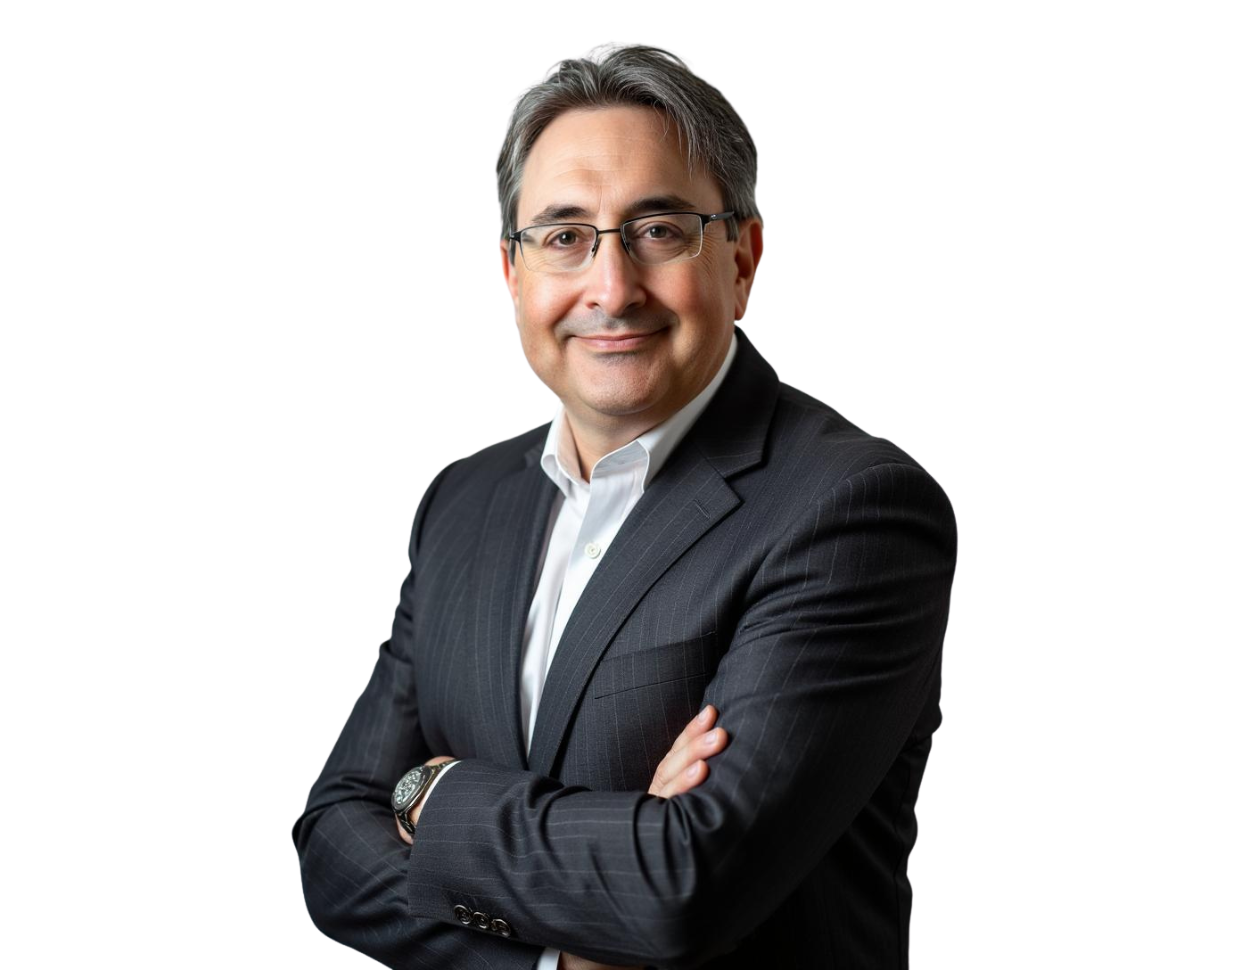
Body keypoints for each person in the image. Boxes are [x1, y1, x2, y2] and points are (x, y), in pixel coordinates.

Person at [291, 41, 957, 970]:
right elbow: (329, 846)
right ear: (512, 273)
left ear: (743, 260)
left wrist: (428, 796)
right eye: (564, 237)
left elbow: (687, 888)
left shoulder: (856, 509)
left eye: (659, 229)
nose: (611, 289)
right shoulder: (462, 502)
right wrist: (560, 953)